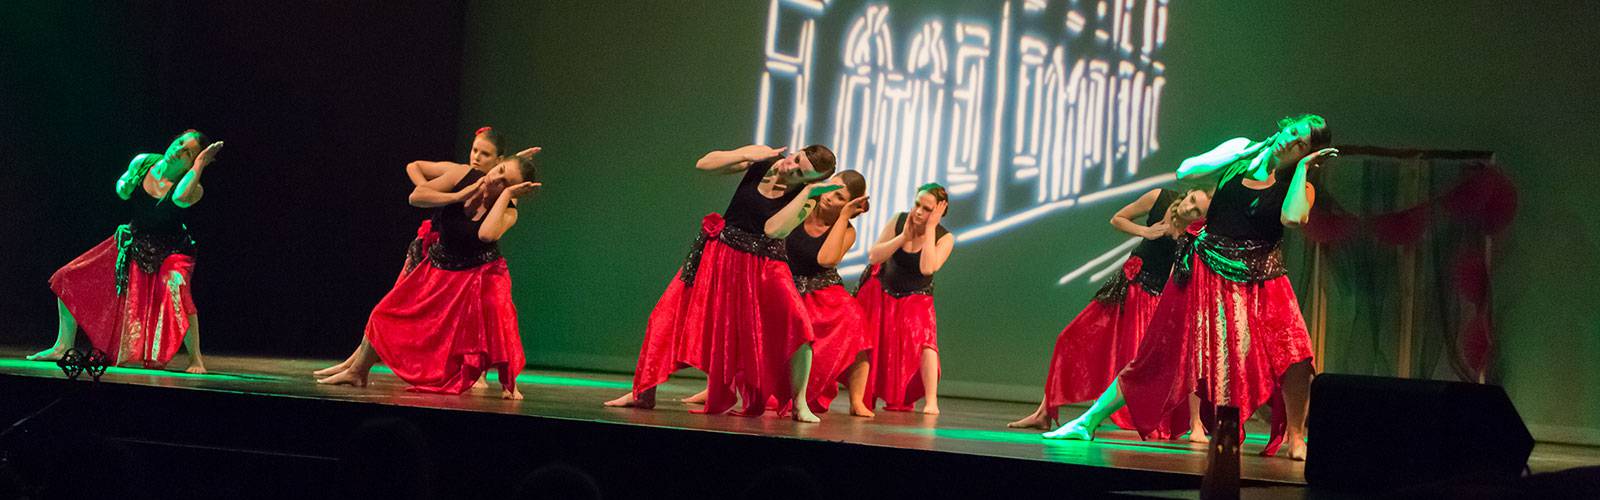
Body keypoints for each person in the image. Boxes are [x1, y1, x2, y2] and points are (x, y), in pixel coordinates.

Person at [1044, 114, 1336, 461]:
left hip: (1263, 278)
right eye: (1292, 132)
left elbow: (1292, 217)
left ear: (1308, 154)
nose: (1291, 141)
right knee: (1156, 355)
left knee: (1296, 354)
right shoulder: (1240, 150)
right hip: (1207, 271)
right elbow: (1186, 172)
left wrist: (1302, 168)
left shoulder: (1300, 185)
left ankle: (1297, 438)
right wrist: (1248, 152)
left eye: (1301, 144)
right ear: (1283, 127)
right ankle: (1087, 422)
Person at [318, 155, 541, 399]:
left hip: (479, 274)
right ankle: (357, 372)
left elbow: (486, 235)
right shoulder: (463, 175)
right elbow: (416, 197)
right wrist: (457, 196)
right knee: (384, 313)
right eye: (498, 170)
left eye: (505, 183)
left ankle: (508, 383)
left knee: (496, 319)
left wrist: (508, 196)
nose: (495, 178)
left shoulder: (507, 211)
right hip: (440, 265)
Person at [1008, 188, 1210, 438]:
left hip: (1153, 300)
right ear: (1188, 192)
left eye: (1197, 210)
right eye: (1191, 201)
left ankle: (1174, 422)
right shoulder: (1160, 198)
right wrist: (1145, 231)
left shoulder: (1196, 233)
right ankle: (1044, 413)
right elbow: (1118, 218)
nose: (1189, 208)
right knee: (1070, 339)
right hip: (1125, 287)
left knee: (1135, 364)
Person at [31, 130, 223, 373]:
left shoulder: (193, 186)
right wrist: (127, 183)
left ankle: (196, 359)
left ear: (193, 162)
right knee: (68, 275)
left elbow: (181, 198)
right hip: (136, 238)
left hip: (173, 250)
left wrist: (199, 165)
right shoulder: (143, 162)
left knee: (177, 287)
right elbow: (122, 190)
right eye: (179, 143)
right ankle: (62, 344)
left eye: (188, 153)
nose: (178, 150)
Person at [858, 184, 955, 415]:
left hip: (917, 297)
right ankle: (864, 396)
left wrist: (930, 229)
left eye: (927, 209)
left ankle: (931, 401)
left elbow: (927, 267)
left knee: (925, 341)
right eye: (917, 205)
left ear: (939, 212)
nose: (919, 212)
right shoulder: (900, 220)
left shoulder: (945, 238)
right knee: (874, 342)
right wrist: (903, 237)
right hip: (885, 292)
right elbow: (874, 255)